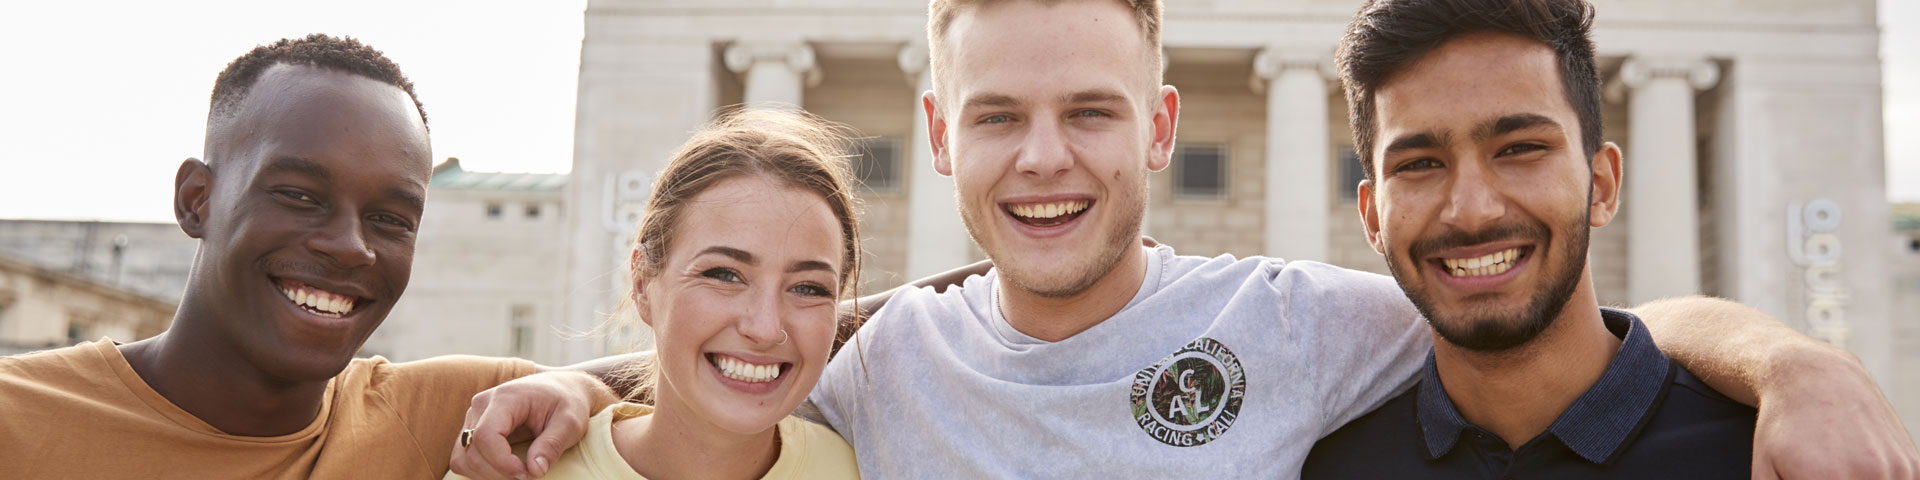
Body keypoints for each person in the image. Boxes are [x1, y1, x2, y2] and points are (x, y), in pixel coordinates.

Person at [453, 1, 1919, 478]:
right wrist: (585, 385)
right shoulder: (880, 361)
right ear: (940, 130)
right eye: (1001, 117)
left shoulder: (1303, 324)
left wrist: (1801, 359)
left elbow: (1548, 313)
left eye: (1091, 113)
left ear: (1159, 130)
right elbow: (744, 351)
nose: (1046, 160)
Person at [0, 34, 618, 479]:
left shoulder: (456, 414)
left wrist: (576, 385)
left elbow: (686, 371)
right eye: (298, 195)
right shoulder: (18, 420)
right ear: (197, 200)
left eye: (390, 218)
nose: (350, 244)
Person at [1295, 0, 1848, 477]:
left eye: (1519, 149)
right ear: (1372, 216)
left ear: (1601, 186)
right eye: (1419, 163)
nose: (1471, 210)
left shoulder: (1766, 457)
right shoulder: (1318, 466)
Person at [453, 109, 862, 479]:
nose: (766, 327)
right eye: (725, 275)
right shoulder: (505, 470)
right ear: (643, 283)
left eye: (808, 288)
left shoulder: (871, 468)